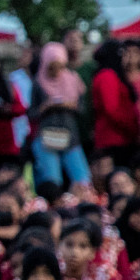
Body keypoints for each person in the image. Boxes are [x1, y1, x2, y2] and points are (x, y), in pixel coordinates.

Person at [30, 42, 91, 191]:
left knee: (83, 180)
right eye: (52, 66)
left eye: (59, 66)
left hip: (70, 136)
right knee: (52, 181)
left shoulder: (73, 80)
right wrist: (45, 108)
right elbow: (31, 113)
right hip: (47, 137)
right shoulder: (39, 82)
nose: (56, 71)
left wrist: (71, 105)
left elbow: (83, 108)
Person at [90, 39, 140, 168]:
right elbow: (112, 110)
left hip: (122, 137)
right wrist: (132, 128)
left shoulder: (112, 74)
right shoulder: (107, 76)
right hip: (114, 139)